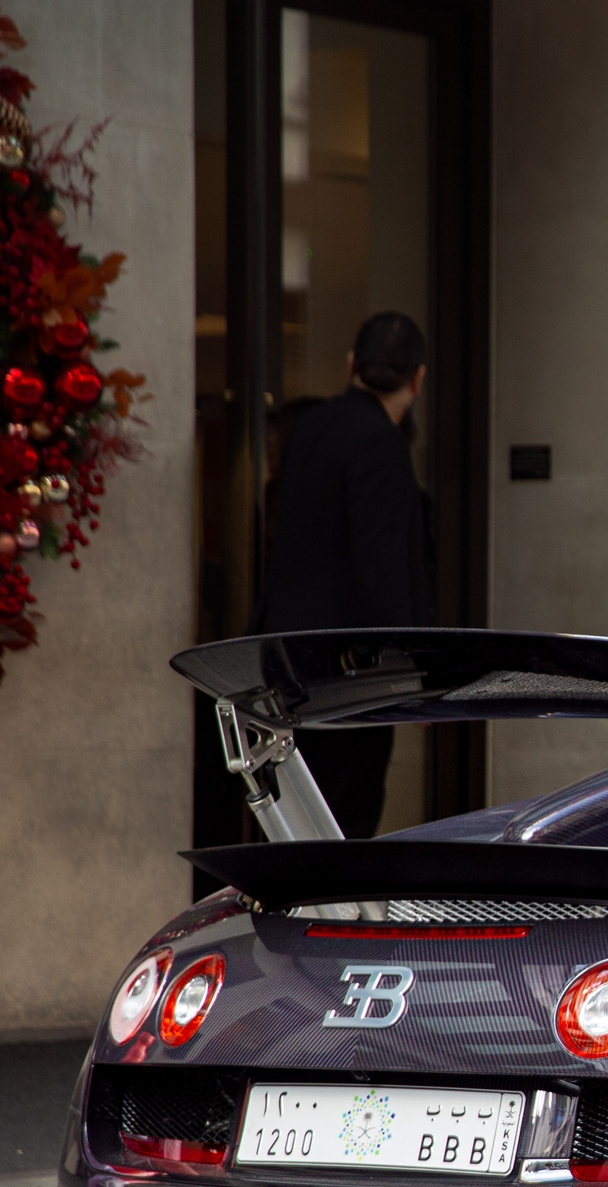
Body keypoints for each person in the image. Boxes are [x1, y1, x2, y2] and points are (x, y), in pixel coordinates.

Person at [251, 311, 434, 838]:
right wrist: (406, 672)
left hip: (285, 661)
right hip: (346, 677)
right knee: (343, 826)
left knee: (297, 823)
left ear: (352, 364)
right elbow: (382, 573)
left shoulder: (307, 428)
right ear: (417, 379)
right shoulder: (382, 442)